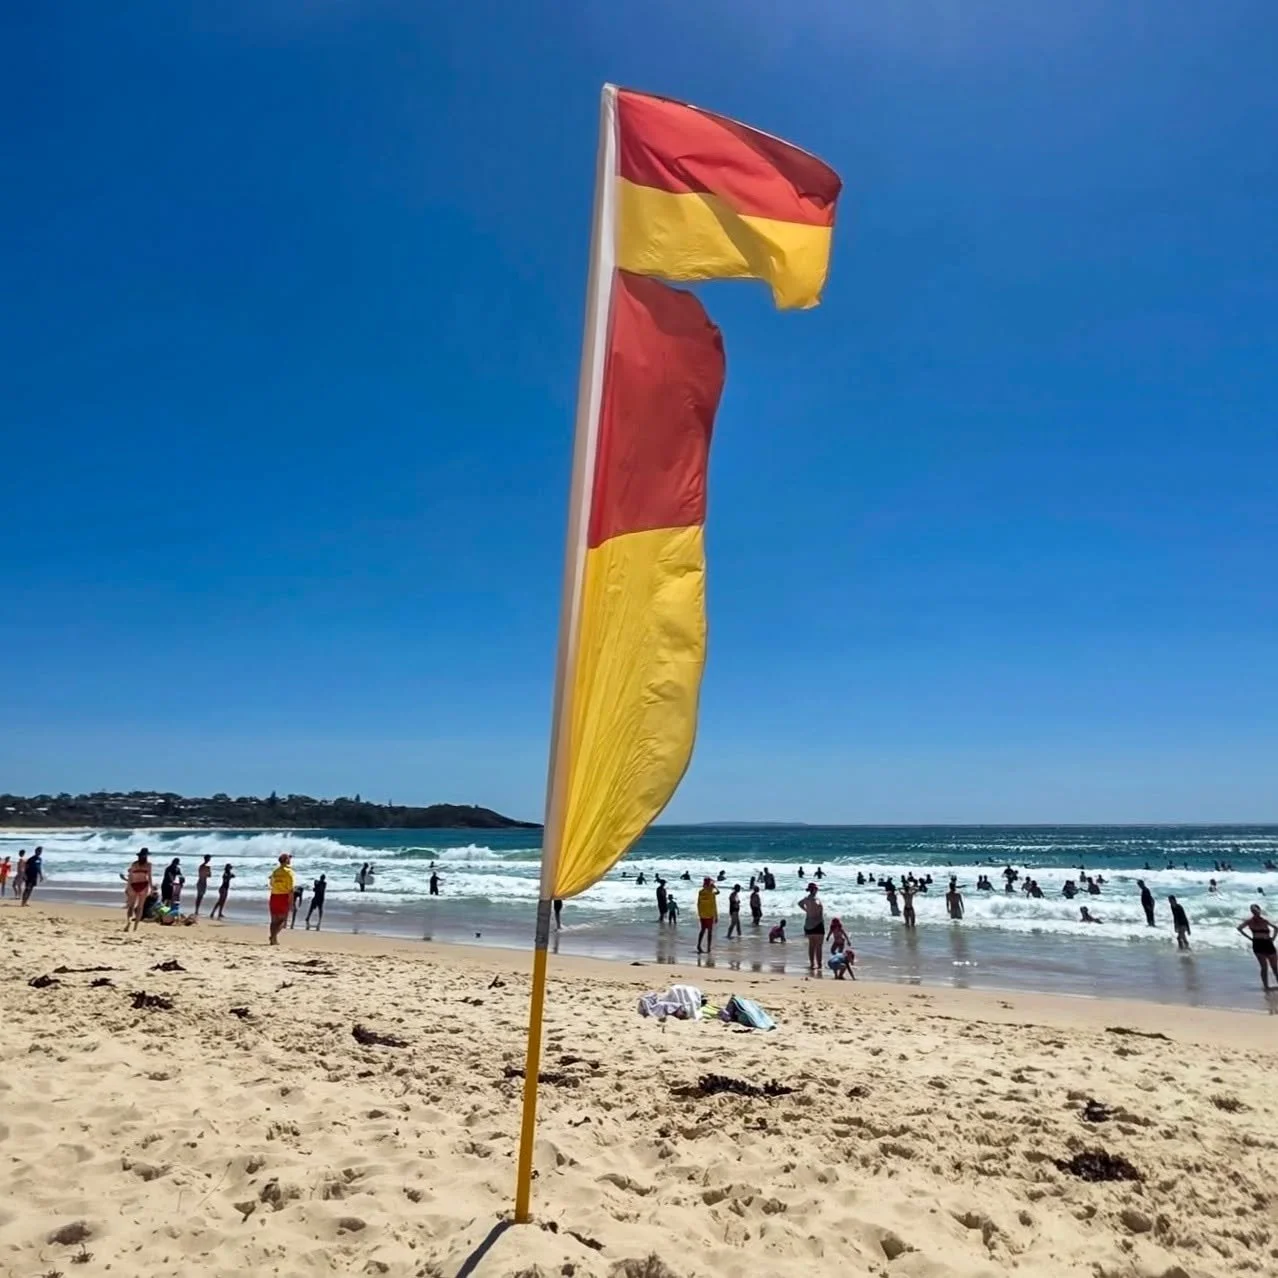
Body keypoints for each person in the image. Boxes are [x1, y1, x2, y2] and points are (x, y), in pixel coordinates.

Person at [1237, 905, 1278, 991]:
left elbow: (1276, 928)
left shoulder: (1265, 920)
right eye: (1253, 911)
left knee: (1274, 967)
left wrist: (1273, 938)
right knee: (1264, 967)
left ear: (1259, 910)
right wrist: (1249, 938)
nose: (1255, 912)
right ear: (1252, 912)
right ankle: (1266, 986)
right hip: (1258, 944)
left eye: (1256, 910)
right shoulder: (1250, 921)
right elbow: (1239, 928)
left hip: (1268, 943)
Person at [268, 853, 294, 945]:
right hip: (283, 896)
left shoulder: (275, 871)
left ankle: (273, 939)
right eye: (289, 858)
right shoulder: (289, 872)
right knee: (283, 920)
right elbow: (291, 889)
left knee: (274, 920)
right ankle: (273, 937)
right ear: (286, 860)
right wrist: (291, 903)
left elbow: (271, 884)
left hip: (274, 896)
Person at [798, 882, 824, 974]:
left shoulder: (806, 899)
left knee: (811, 946)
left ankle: (812, 963)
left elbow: (799, 903)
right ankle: (819, 964)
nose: (817, 890)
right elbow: (816, 905)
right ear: (814, 890)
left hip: (808, 924)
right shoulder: (815, 899)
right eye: (816, 889)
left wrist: (806, 910)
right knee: (819, 946)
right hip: (818, 924)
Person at [123, 849, 153, 930]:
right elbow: (149, 877)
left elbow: (130, 877)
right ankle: (135, 926)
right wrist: (151, 888)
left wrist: (127, 887)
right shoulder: (148, 865)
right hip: (144, 885)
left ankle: (129, 921)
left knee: (131, 906)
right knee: (140, 907)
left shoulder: (134, 864)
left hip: (133, 885)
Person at [696, 877, 718, 954]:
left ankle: (699, 945)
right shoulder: (711, 894)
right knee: (709, 931)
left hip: (702, 914)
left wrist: (699, 913)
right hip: (709, 915)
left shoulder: (701, 892)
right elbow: (714, 905)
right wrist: (716, 915)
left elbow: (698, 904)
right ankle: (708, 948)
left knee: (703, 930)